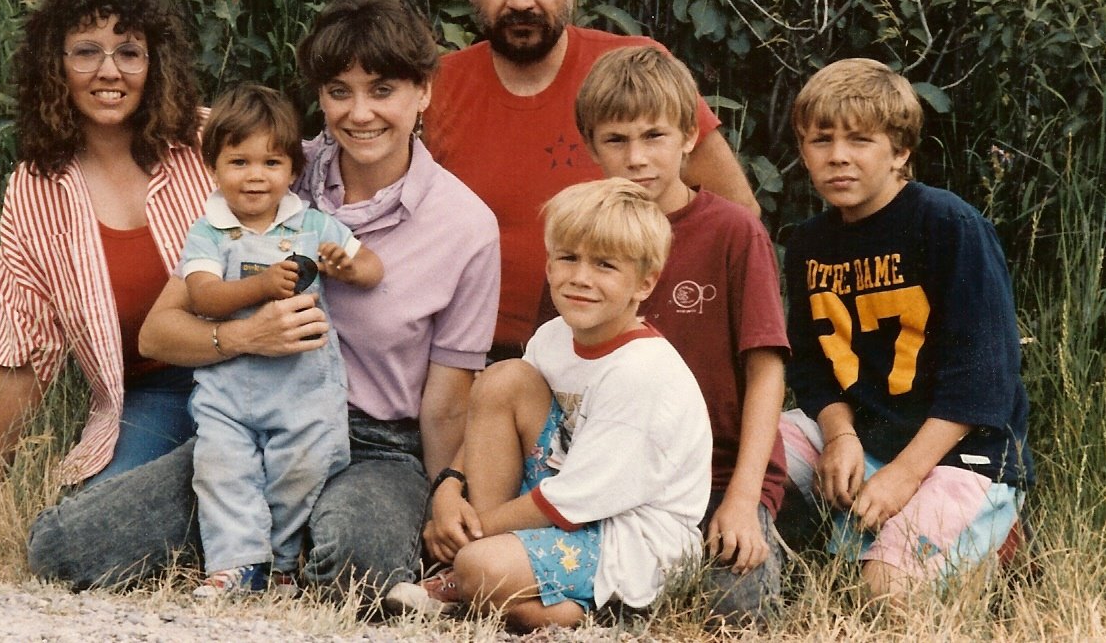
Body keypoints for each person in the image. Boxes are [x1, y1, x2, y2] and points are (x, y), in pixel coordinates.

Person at [24, 0, 502, 606]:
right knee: (62, 549)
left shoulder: (465, 226)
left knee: (358, 562)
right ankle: (250, 545)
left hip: (376, 447)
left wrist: (444, 495)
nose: (359, 113)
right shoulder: (274, 172)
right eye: (339, 91)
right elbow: (161, 333)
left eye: (383, 90)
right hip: (252, 424)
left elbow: (447, 402)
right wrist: (247, 336)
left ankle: (276, 547)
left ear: (424, 92)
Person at [423, 0, 760, 360]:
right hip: (469, 353)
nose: (521, 0)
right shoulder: (433, 89)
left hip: (624, 348)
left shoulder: (631, 72)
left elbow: (736, 214)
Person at [397, 179, 711, 629]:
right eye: (568, 258)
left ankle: (536, 594)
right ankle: (502, 582)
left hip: (631, 536)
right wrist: (449, 488)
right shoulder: (553, 336)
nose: (580, 277)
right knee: (504, 379)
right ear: (549, 265)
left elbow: (573, 501)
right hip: (567, 500)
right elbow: (493, 418)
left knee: (480, 566)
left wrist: (472, 533)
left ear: (644, 283)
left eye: (605, 265)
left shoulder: (640, 372)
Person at [778, 58, 1035, 601]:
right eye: (821, 140)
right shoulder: (808, 243)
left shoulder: (948, 225)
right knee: (745, 453)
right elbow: (812, 366)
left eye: (860, 140)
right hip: (861, 434)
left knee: (885, 594)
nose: (838, 155)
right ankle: (785, 557)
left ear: (900, 152)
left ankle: (996, 542)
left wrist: (904, 474)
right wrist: (839, 435)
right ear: (803, 150)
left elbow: (983, 378)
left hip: (955, 454)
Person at [576, 46, 788, 622]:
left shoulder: (733, 232)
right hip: (615, 474)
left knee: (732, 612)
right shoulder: (584, 231)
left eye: (655, 136)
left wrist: (743, 498)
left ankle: (770, 538)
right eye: (616, 140)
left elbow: (766, 370)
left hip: (720, 474)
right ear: (591, 145)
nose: (637, 158)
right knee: (584, 601)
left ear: (690, 136)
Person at [0, 0, 212, 487]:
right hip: (151, 395)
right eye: (86, 51)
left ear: (155, 64)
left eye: (129, 52)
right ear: (55, 65)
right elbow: (26, 344)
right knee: (90, 522)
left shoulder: (209, 140)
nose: (110, 72)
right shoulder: (35, 189)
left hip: (251, 370)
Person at [180, 83, 383, 597]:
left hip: (303, 391)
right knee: (221, 469)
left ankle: (282, 562)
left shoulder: (311, 224)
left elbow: (372, 268)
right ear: (213, 166)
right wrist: (260, 286)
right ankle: (237, 563)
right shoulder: (208, 231)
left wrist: (347, 267)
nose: (255, 176)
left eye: (271, 163)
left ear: (293, 170)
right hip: (228, 392)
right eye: (239, 162)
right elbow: (203, 295)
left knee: (302, 468)